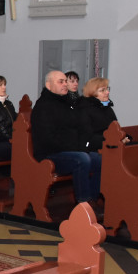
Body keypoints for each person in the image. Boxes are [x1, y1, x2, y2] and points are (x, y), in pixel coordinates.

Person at [31, 70, 101, 205]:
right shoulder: (43, 107)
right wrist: (76, 147)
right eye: (60, 82)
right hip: (50, 154)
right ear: (49, 85)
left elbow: (79, 128)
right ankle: (83, 203)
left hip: (70, 149)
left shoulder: (67, 103)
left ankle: (93, 198)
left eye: (65, 81)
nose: (65, 84)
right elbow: (48, 139)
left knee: (100, 160)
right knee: (82, 159)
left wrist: (84, 145)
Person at [77, 77, 122, 152]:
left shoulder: (108, 108)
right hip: (93, 149)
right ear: (92, 93)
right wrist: (111, 140)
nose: (107, 92)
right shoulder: (84, 109)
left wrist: (125, 137)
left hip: (110, 144)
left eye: (107, 89)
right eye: (102, 90)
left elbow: (115, 129)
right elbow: (87, 137)